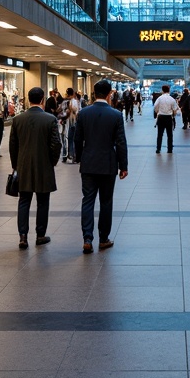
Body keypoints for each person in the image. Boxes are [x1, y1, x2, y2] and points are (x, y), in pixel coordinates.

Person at [72, 79, 128, 254]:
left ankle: (87, 238)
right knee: (106, 201)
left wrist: (80, 158)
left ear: (94, 93)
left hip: (88, 163)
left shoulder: (84, 113)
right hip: (108, 164)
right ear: (110, 93)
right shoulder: (116, 115)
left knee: (87, 200)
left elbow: (77, 139)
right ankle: (103, 238)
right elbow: (120, 143)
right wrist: (123, 166)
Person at [8, 86, 62, 248]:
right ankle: (40, 235)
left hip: (23, 165)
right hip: (44, 165)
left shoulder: (18, 119)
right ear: (42, 99)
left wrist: (16, 164)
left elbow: (13, 145)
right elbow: (56, 144)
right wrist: (52, 162)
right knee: (43, 201)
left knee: (24, 200)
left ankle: (23, 237)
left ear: (29, 99)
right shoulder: (50, 119)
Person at [153, 84, 179, 154]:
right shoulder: (172, 99)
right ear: (169, 90)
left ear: (162, 90)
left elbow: (155, 107)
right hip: (168, 118)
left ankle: (158, 149)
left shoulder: (159, 98)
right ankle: (169, 149)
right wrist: (173, 116)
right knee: (170, 134)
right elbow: (175, 109)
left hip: (161, 117)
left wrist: (158, 111)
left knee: (160, 134)